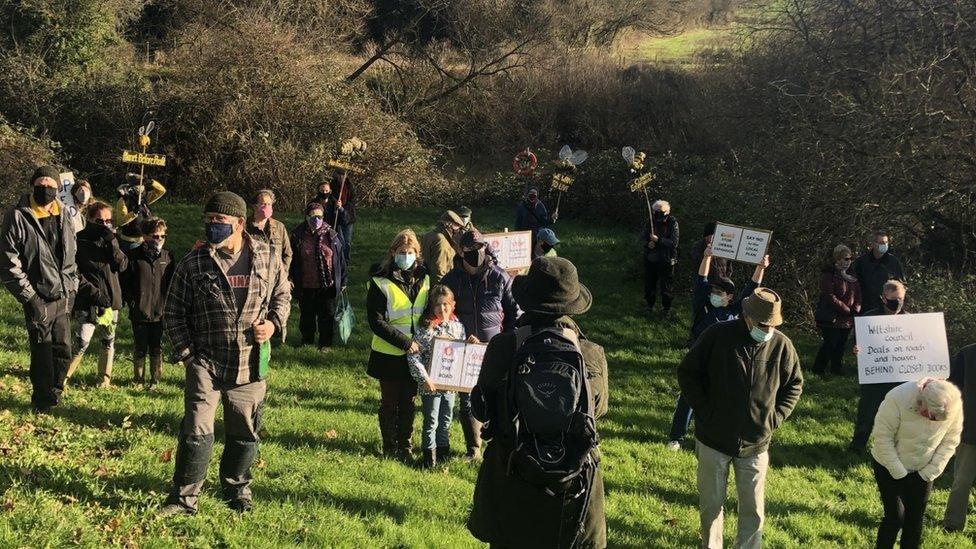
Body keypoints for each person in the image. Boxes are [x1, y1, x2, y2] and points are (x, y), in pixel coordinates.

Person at [159, 191, 291, 516]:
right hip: (206, 361)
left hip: (250, 362)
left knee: (244, 432)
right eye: (209, 220)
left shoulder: (268, 256)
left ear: (240, 223)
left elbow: (283, 295)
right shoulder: (195, 262)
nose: (213, 226)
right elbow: (173, 312)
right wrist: (188, 355)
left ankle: (237, 488)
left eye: (220, 220)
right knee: (196, 431)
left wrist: (274, 324)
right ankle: (184, 499)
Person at [468, 256, 609, 548]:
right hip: (574, 482)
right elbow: (599, 411)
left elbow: (482, 408)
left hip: (512, 473)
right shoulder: (592, 353)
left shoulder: (503, 347)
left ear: (527, 300)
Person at [677, 287, 803, 549]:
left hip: (756, 443)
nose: (767, 329)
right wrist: (704, 411)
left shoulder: (782, 345)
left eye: (772, 325)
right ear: (746, 316)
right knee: (711, 506)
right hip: (713, 439)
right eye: (762, 324)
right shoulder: (717, 335)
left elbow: (794, 385)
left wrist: (774, 418)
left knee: (753, 510)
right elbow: (688, 373)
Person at [667, 247, 768, 450]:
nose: (714, 294)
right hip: (699, 359)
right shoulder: (702, 307)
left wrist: (760, 267)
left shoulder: (736, 312)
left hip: (725, 362)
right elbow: (701, 280)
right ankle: (676, 437)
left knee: (719, 400)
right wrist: (706, 257)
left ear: (730, 297)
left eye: (719, 292)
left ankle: (708, 438)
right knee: (688, 398)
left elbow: (752, 287)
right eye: (713, 291)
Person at [0, 165, 81, 412]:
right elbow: (8, 261)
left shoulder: (64, 214)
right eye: (41, 184)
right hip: (38, 296)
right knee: (42, 353)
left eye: (51, 186)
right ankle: (42, 400)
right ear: (33, 185)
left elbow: (72, 253)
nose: (46, 189)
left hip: (64, 294)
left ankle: (56, 392)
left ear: (58, 189)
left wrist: (73, 285)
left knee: (63, 349)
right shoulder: (17, 215)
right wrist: (30, 296)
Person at [441, 229, 519, 460]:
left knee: (499, 398)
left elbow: (514, 310)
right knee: (468, 401)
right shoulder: (451, 280)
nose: (476, 253)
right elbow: (441, 311)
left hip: (495, 347)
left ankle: (500, 447)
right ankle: (473, 449)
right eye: (470, 250)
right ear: (461, 251)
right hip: (463, 349)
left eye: (480, 248)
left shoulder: (500, 277)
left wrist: (508, 339)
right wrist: (455, 337)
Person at [871, 379, 962, 548]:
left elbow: (950, 441)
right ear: (921, 399)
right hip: (888, 465)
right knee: (895, 517)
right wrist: (899, 472)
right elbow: (883, 438)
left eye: (937, 420)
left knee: (914, 521)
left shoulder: (953, 404)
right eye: (929, 414)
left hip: (923, 469)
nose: (931, 420)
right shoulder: (898, 397)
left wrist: (928, 473)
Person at [366, 229, 430, 461]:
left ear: (417, 253)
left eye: (410, 252)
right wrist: (405, 343)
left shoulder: (425, 277)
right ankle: (389, 445)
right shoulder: (380, 280)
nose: (406, 256)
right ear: (393, 253)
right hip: (389, 352)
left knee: (409, 402)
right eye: (402, 252)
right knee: (390, 402)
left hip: (415, 354)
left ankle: (405, 445)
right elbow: (376, 321)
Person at [66, 201, 129, 388]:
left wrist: (112, 242)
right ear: (89, 219)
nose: (104, 224)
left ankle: (104, 380)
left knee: (108, 341)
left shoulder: (112, 240)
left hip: (111, 300)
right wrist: (93, 292)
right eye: (99, 221)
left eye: (108, 220)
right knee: (81, 342)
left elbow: (123, 265)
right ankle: (62, 378)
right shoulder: (78, 240)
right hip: (88, 300)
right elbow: (73, 272)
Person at [407, 285, 466, 469]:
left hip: (449, 385)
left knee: (446, 419)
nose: (442, 309)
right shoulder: (425, 328)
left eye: (446, 304)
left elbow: (463, 351)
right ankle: (428, 459)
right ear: (432, 307)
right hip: (431, 385)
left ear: (453, 305)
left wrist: (471, 344)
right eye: (438, 305)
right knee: (431, 421)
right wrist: (424, 379)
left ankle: (443, 455)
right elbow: (413, 356)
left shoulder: (458, 326)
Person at [849, 280, 910, 453]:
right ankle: (858, 445)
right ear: (883, 298)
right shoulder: (869, 318)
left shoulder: (911, 321)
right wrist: (856, 348)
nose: (897, 303)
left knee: (899, 415)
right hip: (875, 377)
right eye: (893, 299)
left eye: (901, 299)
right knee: (867, 412)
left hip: (900, 379)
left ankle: (894, 449)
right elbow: (855, 341)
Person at [121, 217, 175, 388]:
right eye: (154, 236)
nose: (158, 240)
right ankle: (138, 379)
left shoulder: (168, 257)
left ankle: (156, 379)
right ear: (144, 236)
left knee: (156, 346)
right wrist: (132, 302)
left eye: (162, 236)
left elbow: (172, 283)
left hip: (160, 310)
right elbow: (126, 282)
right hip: (140, 309)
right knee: (140, 345)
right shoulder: (133, 256)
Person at [289, 202, 347, 351]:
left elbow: (340, 260)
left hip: (327, 284)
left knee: (326, 315)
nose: (316, 220)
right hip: (306, 283)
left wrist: (343, 280)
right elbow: (292, 259)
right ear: (307, 217)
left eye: (319, 216)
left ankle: (325, 344)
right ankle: (307, 342)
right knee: (307, 316)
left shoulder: (332, 235)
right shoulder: (298, 235)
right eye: (313, 216)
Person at [812, 244, 861, 376]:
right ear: (837, 259)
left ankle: (836, 369)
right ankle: (818, 369)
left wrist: (856, 307)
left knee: (841, 345)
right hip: (831, 317)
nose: (847, 262)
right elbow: (829, 296)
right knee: (830, 343)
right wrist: (845, 308)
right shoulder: (829, 275)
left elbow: (857, 294)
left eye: (849, 259)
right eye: (844, 259)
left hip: (847, 319)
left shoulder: (853, 276)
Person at [944, 344, 976, 532]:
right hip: (971, 430)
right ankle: (952, 525)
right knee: (962, 481)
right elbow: (951, 389)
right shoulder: (967, 354)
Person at [641, 200, 679, 318]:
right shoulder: (651, 221)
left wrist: (659, 240)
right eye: (656, 211)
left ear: (667, 212)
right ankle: (649, 306)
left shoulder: (672, 223)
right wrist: (649, 243)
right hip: (651, 258)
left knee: (666, 286)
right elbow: (644, 236)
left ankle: (666, 309)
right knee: (649, 284)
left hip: (666, 259)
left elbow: (674, 243)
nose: (658, 214)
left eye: (660, 211)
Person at [853, 230, 906, 313]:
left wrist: (898, 304)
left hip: (888, 308)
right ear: (873, 243)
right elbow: (855, 284)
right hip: (866, 306)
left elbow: (902, 285)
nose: (884, 245)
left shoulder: (893, 262)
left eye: (885, 242)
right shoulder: (862, 262)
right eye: (881, 242)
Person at [245, 189, 293, 276]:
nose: (267, 207)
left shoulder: (279, 227)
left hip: (275, 276)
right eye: (263, 204)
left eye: (269, 204)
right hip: (253, 276)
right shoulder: (245, 227)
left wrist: (283, 273)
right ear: (255, 206)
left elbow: (287, 253)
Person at [116, 173, 166, 250]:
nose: (142, 192)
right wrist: (134, 213)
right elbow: (120, 221)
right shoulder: (124, 200)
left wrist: (152, 182)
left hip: (145, 239)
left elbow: (161, 191)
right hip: (130, 241)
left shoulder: (144, 199)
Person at [421, 210, 463, 285]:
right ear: (449, 225)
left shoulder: (428, 235)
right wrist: (441, 290)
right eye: (457, 228)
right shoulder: (441, 240)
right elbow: (439, 270)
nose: (458, 231)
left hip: (425, 281)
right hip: (438, 286)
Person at [313, 177, 348, 246]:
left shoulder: (335, 203)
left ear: (330, 191)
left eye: (326, 190)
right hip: (318, 233)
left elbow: (345, 220)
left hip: (334, 232)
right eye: (322, 191)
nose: (324, 193)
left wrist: (341, 209)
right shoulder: (313, 204)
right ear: (318, 191)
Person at [331, 170, 356, 262]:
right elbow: (330, 197)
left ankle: (346, 260)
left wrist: (342, 208)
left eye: (343, 175)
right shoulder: (332, 185)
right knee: (340, 240)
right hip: (337, 217)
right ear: (336, 175)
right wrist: (335, 202)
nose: (341, 177)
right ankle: (339, 259)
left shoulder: (350, 186)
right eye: (340, 175)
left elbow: (352, 202)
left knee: (347, 242)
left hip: (348, 217)